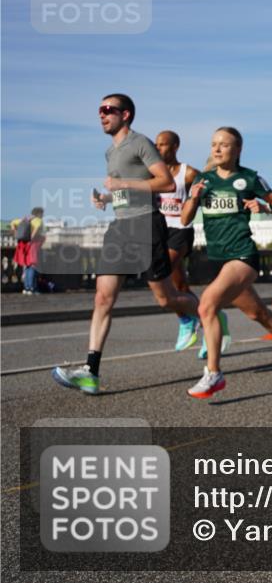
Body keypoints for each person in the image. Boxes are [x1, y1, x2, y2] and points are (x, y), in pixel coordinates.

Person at [52, 94, 201, 395]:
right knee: (102, 298)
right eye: (100, 111)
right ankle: (90, 371)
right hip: (120, 227)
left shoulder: (140, 143)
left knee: (165, 298)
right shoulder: (111, 152)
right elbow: (123, 191)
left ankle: (204, 313)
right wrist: (106, 199)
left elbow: (167, 183)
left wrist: (122, 185)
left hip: (147, 224)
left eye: (108, 110)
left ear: (126, 114)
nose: (102, 115)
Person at [180, 127, 272, 398]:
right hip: (217, 259)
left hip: (242, 255)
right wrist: (194, 198)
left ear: (237, 150)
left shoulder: (249, 178)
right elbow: (184, 219)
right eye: (213, 144)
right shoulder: (203, 180)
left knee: (207, 305)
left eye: (224, 145)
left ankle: (213, 373)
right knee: (256, 313)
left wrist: (266, 208)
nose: (217, 149)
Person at [154, 130, 218, 353]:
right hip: (161, 232)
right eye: (156, 144)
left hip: (181, 231)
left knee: (160, 272)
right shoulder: (153, 174)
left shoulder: (188, 173)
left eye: (163, 144)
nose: (158, 148)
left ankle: (186, 321)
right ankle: (212, 323)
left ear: (175, 146)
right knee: (179, 286)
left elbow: (209, 191)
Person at [12, 207, 45, 295]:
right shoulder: (38, 220)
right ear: (40, 214)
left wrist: (16, 233)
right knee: (32, 266)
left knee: (27, 266)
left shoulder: (25, 219)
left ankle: (26, 288)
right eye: (42, 214)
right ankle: (31, 288)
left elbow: (12, 223)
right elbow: (37, 230)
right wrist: (31, 239)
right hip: (32, 244)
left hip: (24, 245)